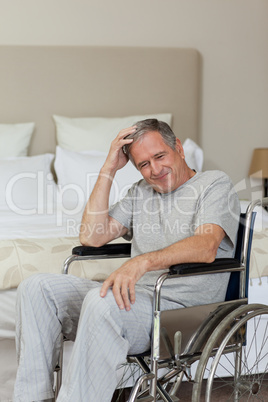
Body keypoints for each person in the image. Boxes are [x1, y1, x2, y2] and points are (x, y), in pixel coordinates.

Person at [14, 119, 240, 402]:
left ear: (178, 148)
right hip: (138, 301)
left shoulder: (214, 183)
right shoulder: (140, 192)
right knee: (35, 288)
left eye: (160, 156)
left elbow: (206, 246)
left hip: (182, 311)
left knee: (103, 302)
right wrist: (108, 168)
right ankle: (33, 398)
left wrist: (142, 262)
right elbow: (92, 236)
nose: (155, 170)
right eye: (144, 164)